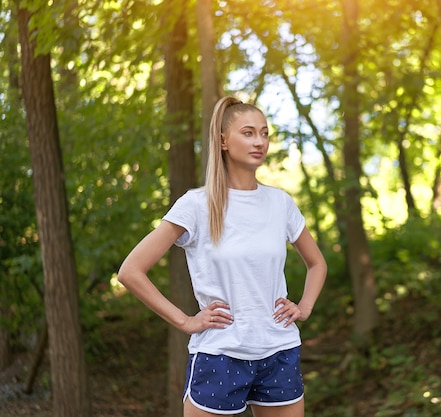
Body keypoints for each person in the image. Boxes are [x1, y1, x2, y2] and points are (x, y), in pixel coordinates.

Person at [117, 96, 327, 417]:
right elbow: (130, 271)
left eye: (265, 133)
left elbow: (317, 263)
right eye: (248, 133)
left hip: (280, 351)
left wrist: (305, 307)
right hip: (221, 355)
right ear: (223, 140)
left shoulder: (280, 203)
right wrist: (186, 321)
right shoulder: (196, 205)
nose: (259, 141)